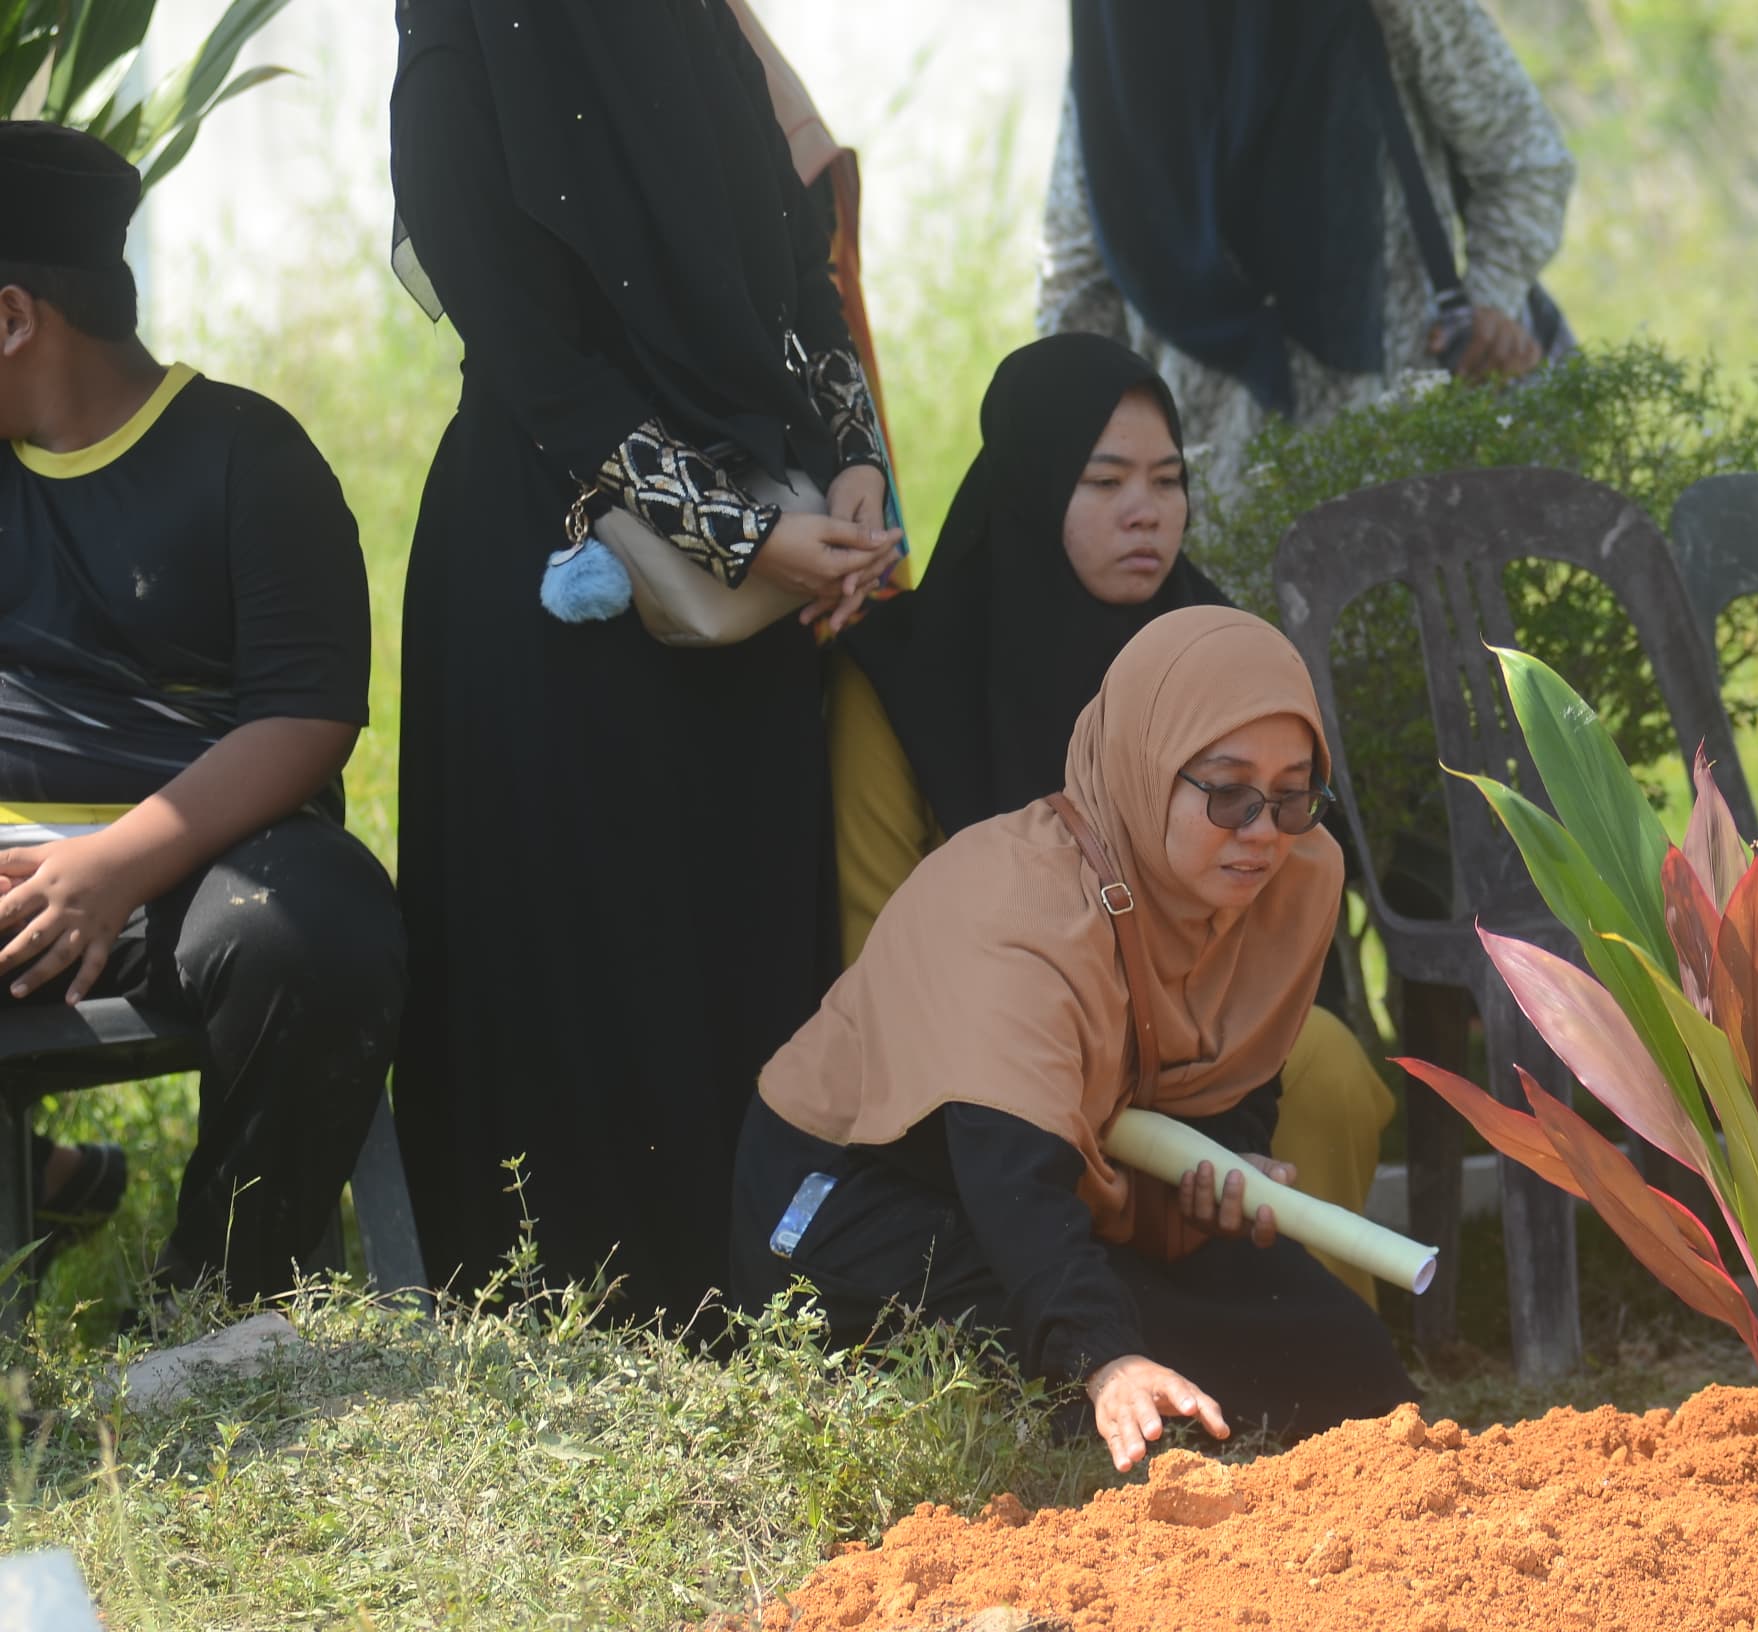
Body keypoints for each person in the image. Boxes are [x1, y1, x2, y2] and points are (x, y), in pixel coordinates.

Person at [388, 0, 901, 1323]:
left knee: (740, 934)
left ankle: (765, 1288)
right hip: (555, 567)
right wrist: (738, 527)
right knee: (581, 946)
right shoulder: (463, 31)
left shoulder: (702, 26)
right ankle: (576, 1321)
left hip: (761, 576)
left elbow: (801, 273)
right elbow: (525, 347)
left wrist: (853, 469)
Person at [739, 607, 1417, 1467]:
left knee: (1343, 1365)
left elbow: (1233, 1086)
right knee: (1146, 1410)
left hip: (1072, 1188)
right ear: (1144, 767)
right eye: (1228, 791)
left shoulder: (1293, 872)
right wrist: (1106, 1360)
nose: (1263, 831)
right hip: (861, 1195)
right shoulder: (1014, 909)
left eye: (1292, 794)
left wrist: (1219, 1170)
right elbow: (1006, 1169)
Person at [833, 332, 1396, 1302]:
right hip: (1003, 1034)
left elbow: (1277, 881)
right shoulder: (904, 677)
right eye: (1103, 483)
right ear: (1029, 484)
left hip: (1197, 1022)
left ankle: (1322, 1383)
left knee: (1332, 1069)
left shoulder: (1211, 649)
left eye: (1168, 481)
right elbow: (879, 940)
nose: (1146, 513)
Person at [0, 122, 404, 1301]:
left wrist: (113, 868)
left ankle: (223, 1287)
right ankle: (50, 1181)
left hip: (185, 869)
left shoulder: (245, 458)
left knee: (313, 927)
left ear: (14, 318)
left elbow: (305, 717)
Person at [1036, 0, 1575, 495]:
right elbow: (1076, 284)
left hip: (1410, 474)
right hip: (1205, 514)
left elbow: (1525, 158)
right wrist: (1104, 461)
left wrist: (1488, 302)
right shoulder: (1122, 35)